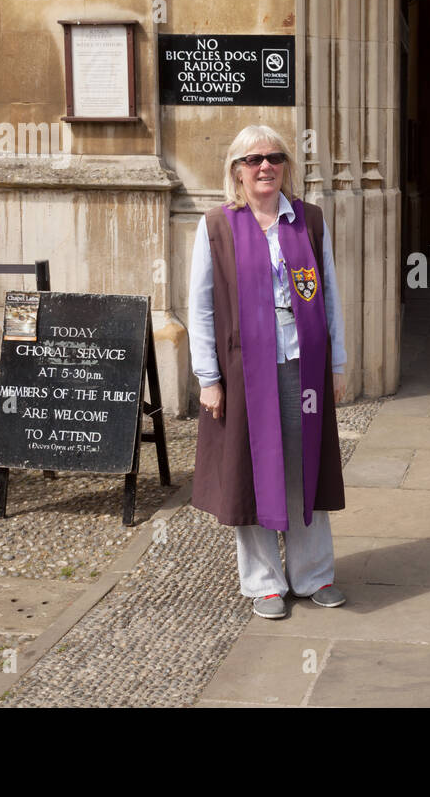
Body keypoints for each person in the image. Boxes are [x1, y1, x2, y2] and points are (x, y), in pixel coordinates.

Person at [187, 124, 348, 620]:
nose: (266, 166)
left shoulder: (308, 221)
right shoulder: (217, 225)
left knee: (306, 467)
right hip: (244, 370)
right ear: (236, 171)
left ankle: (314, 574)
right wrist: (208, 377)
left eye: (275, 157)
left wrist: (337, 361)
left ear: (286, 166)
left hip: (304, 363)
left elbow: (331, 297)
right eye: (254, 159)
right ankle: (263, 583)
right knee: (252, 470)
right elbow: (200, 307)